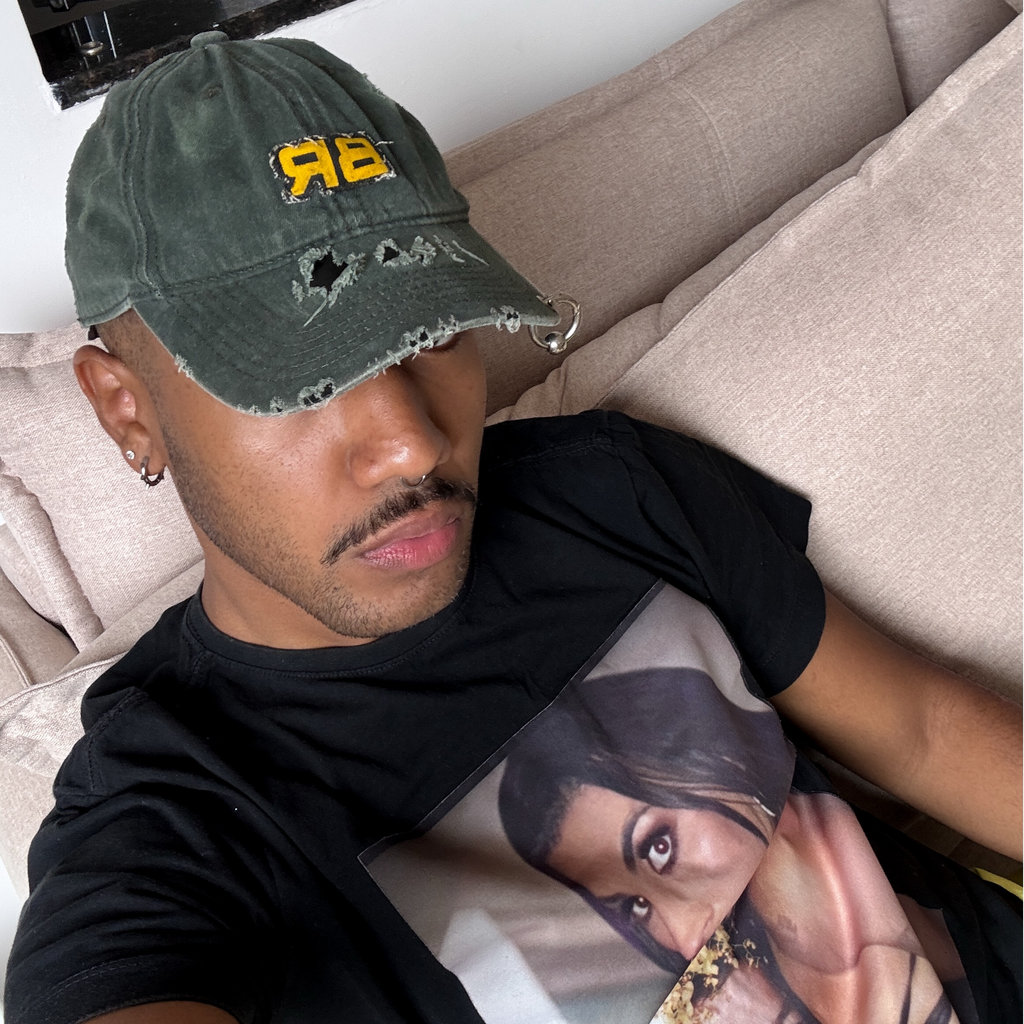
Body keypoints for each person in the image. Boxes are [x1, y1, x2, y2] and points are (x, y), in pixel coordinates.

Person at [2, 29, 1020, 1024]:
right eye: (300, 380)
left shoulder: (611, 488)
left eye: (433, 329)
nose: (414, 444)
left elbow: (920, 728)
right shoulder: (174, 812)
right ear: (126, 409)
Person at [498, 668, 966, 1023]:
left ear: (712, 758)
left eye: (659, 847)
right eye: (635, 907)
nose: (684, 939)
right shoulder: (749, 962)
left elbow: (927, 730)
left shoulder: (880, 937)